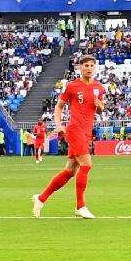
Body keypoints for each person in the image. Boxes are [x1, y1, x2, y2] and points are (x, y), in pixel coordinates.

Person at [35, 53, 103, 219]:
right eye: (85, 65)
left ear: (95, 68)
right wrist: (59, 125)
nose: (88, 68)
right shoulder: (72, 86)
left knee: (70, 170)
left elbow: (99, 110)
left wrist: (100, 106)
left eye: (91, 65)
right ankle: (80, 206)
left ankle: (41, 198)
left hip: (87, 132)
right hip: (74, 129)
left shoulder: (99, 88)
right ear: (79, 67)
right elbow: (59, 107)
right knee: (86, 165)